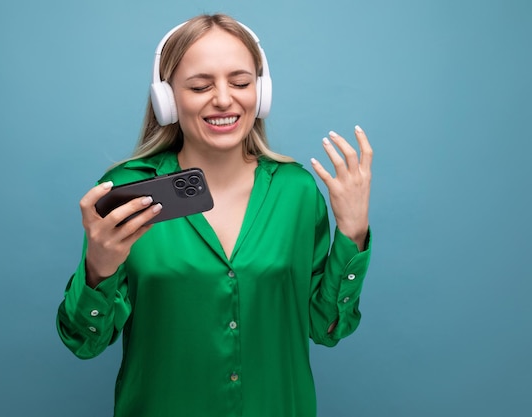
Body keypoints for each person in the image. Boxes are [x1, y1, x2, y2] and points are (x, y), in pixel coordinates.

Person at [57, 13, 372, 417]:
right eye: (200, 86)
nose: (223, 99)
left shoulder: (296, 192)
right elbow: (84, 341)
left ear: (262, 91)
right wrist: (97, 269)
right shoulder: (125, 194)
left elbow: (327, 327)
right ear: (167, 99)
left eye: (240, 83)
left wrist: (353, 231)